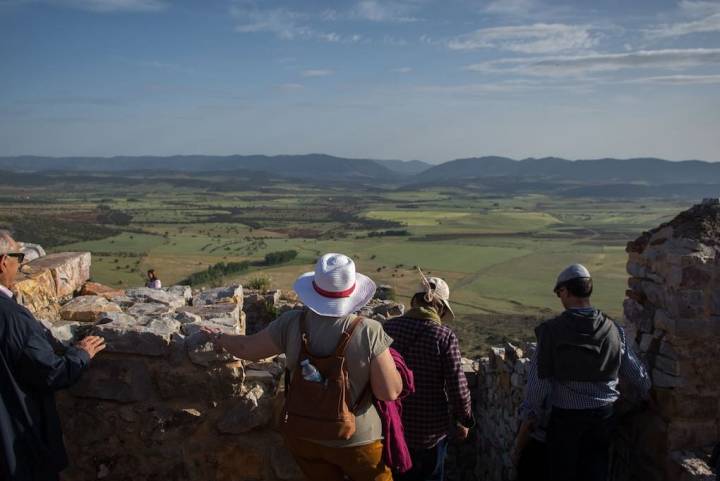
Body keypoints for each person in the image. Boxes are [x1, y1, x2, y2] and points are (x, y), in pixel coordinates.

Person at [204, 253, 402, 481]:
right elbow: (389, 392)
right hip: (355, 439)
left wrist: (220, 338)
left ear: (315, 289)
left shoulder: (290, 323)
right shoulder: (369, 330)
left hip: (303, 433)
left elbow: (247, 349)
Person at [523, 263, 651, 481]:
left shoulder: (551, 331)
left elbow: (540, 381)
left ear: (565, 291)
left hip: (566, 419)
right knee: (596, 472)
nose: (559, 297)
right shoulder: (613, 329)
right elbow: (634, 370)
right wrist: (647, 392)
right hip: (604, 417)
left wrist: (530, 414)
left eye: (558, 292)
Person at [0, 230, 106, 481]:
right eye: (19, 256)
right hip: (16, 444)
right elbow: (50, 371)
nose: (22, 263)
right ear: (4, 261)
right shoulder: (12, 317)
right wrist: (81, 354)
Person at [382, 270, 474, 481]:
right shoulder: (444, 336)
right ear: (440, 308)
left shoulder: (388, 328)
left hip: (394, 425)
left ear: (414, 301)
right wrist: (464, 420)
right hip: (430, 431)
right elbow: (457, 388)